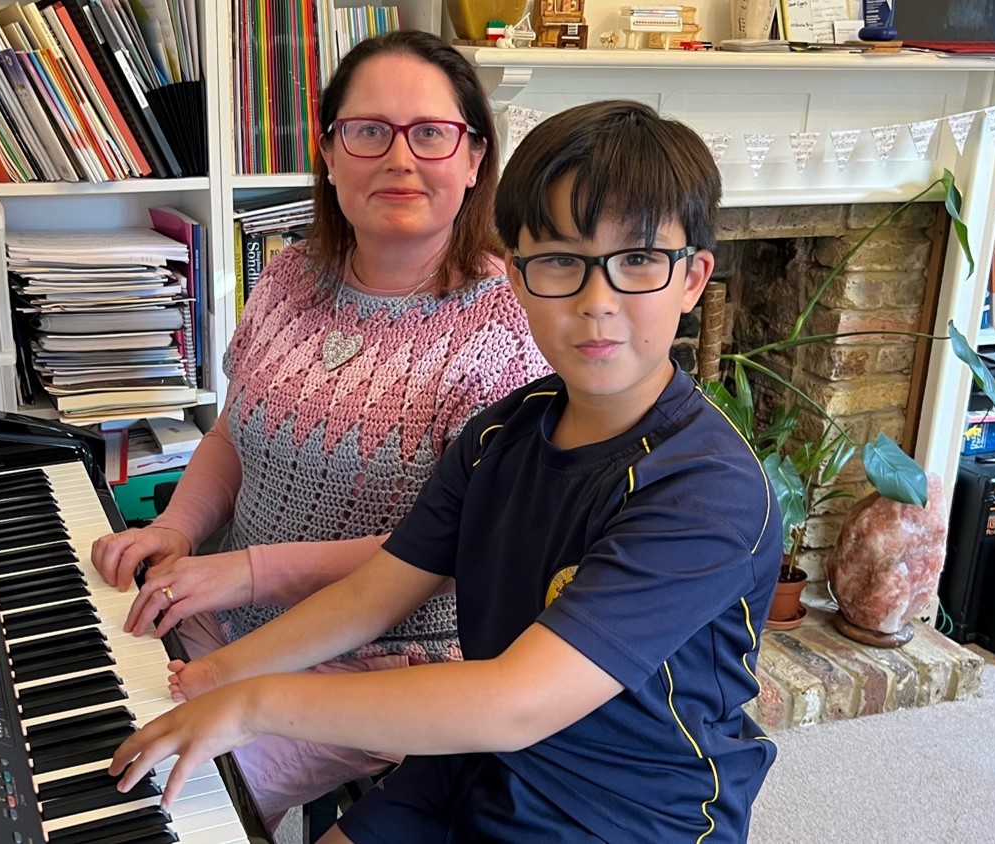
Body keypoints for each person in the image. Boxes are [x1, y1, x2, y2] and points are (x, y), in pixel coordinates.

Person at [108, 100, 783, 842]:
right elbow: (374, 593)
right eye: (560, 260)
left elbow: (515, 700)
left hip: (619, 810)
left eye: (637, 262)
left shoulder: (705, 492)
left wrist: (253, 704)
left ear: (692, 280)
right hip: (473, 764)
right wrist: (214, 675)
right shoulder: (502, 431)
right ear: (517, 278)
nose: (598, 303)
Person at [89, 30, 550, 827]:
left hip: (381, 663)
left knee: (159, 803)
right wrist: (176, 528)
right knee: (86, 717)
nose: (398, 158)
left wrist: (247, 572)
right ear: (331, 154)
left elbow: (455, 549)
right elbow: (234, 433)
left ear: (475, 160)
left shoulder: (506, 329)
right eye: (368, 131)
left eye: (431, 133)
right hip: (226, 613)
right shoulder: (288, 275)